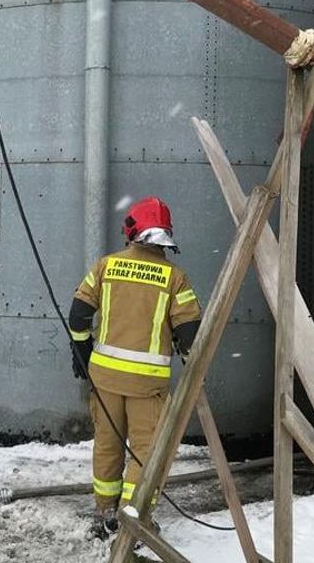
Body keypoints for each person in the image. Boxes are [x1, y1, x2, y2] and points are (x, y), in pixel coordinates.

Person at [67, 196, 202, 540]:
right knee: (145, 451)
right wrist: (188, 357)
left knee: (108, 444)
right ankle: (135, 518)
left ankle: (103, 513)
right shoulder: (175, 278)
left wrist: (81, 351)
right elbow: (190, 334)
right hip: (148, 384)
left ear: (132, 230)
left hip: (105, 378)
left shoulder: (106, 267)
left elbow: (79, 314)